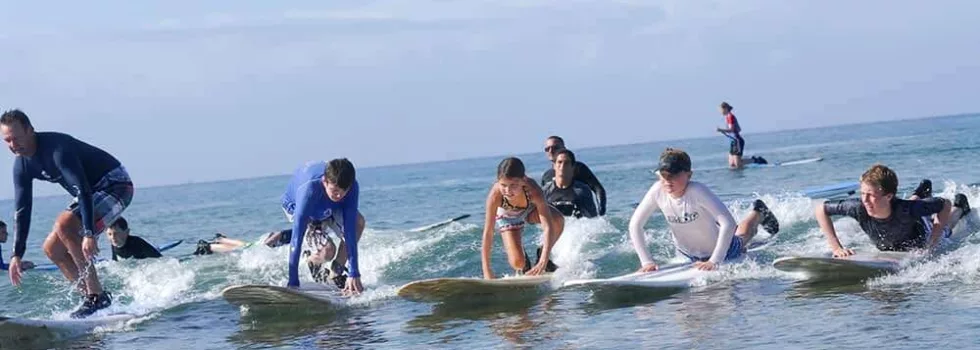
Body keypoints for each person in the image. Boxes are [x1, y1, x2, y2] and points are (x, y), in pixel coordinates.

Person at [1, 109, 134, 318]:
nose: (12, 145)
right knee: (52, 249)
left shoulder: (57, 149)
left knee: (64, 224)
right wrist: (17, 254)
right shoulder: (22, 165)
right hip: (89, 194)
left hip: (116, 185)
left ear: (30, 130)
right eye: (7, 140)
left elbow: (82, 189)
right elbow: (22, 210)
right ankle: (91, 301)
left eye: (16, 138)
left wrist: (89, 234)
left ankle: (97, 295)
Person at [628, 148, 780, 271]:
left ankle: (758, 212)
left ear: (689, 175)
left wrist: (714, 261)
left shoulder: (697, 191)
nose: (667, 181)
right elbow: (635, 225)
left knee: (742, 237)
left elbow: (728, 223)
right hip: (688, 255)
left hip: (723, 252)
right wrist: (647, 262)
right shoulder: (657, 191)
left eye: (673, 175)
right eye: (664, 175)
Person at [815, 164, 972, 257]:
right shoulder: (857, 208)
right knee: (907, 207)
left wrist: (933, 240)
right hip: (904, 211)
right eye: (862, 193)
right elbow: (820, 209)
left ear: (888, 195)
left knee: (944, 230)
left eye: (870, 195)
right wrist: (836, 247)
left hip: (921, 230)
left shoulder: (908, 209)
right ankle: (921, 191)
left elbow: (945, 204)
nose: (865, 200)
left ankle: (961, 207)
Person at [282, 159, 366, 295]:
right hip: (299, 206)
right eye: (336, 190)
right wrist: (293, 283)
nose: (340, 195)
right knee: (328, 250)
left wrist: (354, 273)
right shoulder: (308, 190)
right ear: (325, 181)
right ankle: (312, 261)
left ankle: (336, 273)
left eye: (344, 191)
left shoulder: (350, 187)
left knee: (358, 223)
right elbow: (297, 238)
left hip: (329, 205)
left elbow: (349, 230)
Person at [482, 157, 565, 279]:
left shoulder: (533, 190)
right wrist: (487, 270)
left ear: (523, 180)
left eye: (513, 185)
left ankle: (542, 256)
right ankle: (524, 263)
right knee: (518, 263)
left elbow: (548, 226)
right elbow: (488, 233)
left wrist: (544, 259)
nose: (508, 190)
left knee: (558, 220)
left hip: (529, 211)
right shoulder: (495, 195)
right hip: (508, 217)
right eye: (503, 185)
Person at [540, 136, 607, 216]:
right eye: (547, 149)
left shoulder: (579, 169)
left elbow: (598, 189)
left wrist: (601, 211)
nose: (551, 151)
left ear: (564, 148)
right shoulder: (547, 176)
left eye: (555, 147)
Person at [542, 149, 598, 218]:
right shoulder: (545, 191)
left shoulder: (582, 190)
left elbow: (593, 220)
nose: (562, 166)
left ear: (573, 167)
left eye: (566, 163)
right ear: (554, 166)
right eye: (559, 162)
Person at [191, 228, 297, 255]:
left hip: (269, 239)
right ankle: (209, 247)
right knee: (239, 249)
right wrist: (265, 246)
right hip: (268, 242)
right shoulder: (300, 232)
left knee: (245, 245)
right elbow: (280, 233)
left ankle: (221, 239)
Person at [715, 102, 753, 169]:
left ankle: (755, 160)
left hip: (737, 141)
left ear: (725, 109)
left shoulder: (730, 116)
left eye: (721, 110)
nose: (720, 112)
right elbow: (734, 131)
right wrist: (722, 132)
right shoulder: (727, 117)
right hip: (732, 142)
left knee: (738, 165)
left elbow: (731, 130)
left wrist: (721, 129)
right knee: (732, 164)